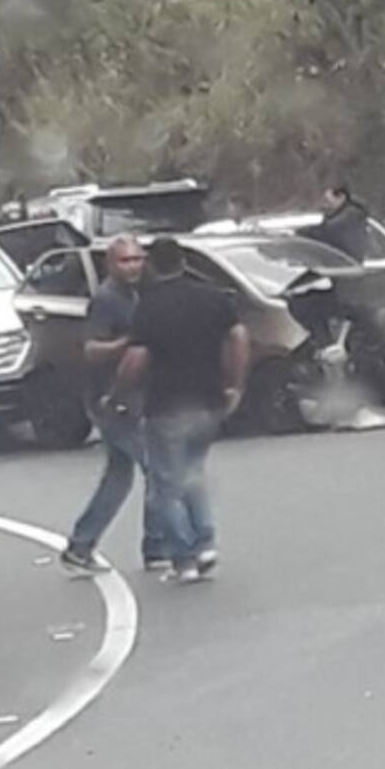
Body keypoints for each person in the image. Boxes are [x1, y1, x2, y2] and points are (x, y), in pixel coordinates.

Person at [112, 238, 250, 584]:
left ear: (153, 265)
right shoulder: (212, 296)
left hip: (167, 404)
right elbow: (238, 336)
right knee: (192, 473)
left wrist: (117, 393)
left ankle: (184, 558)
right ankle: (205, 543)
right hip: (209, 399)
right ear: (183, 262)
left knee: (164, 487)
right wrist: (234, 383)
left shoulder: (150, 306)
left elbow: (136, 358)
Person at [61, 237, 169, 576]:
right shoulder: (107, 300)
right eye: (125, 261)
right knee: (159, 469)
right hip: (111, 399)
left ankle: (81, 546)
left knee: (119, 476)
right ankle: (157, 548)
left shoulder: (138, 294)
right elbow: (91, 349)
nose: (134, 266)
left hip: (135, 396)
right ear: (110, 264)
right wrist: (130, 343)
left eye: (138, 259)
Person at [302, 183, 369, 262]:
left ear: (341, 197)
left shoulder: (352, 214)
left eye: (327, 201)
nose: (324, 205)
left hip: (348, 265)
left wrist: (303, 232)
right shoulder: (337, 214)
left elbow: (328, 230)